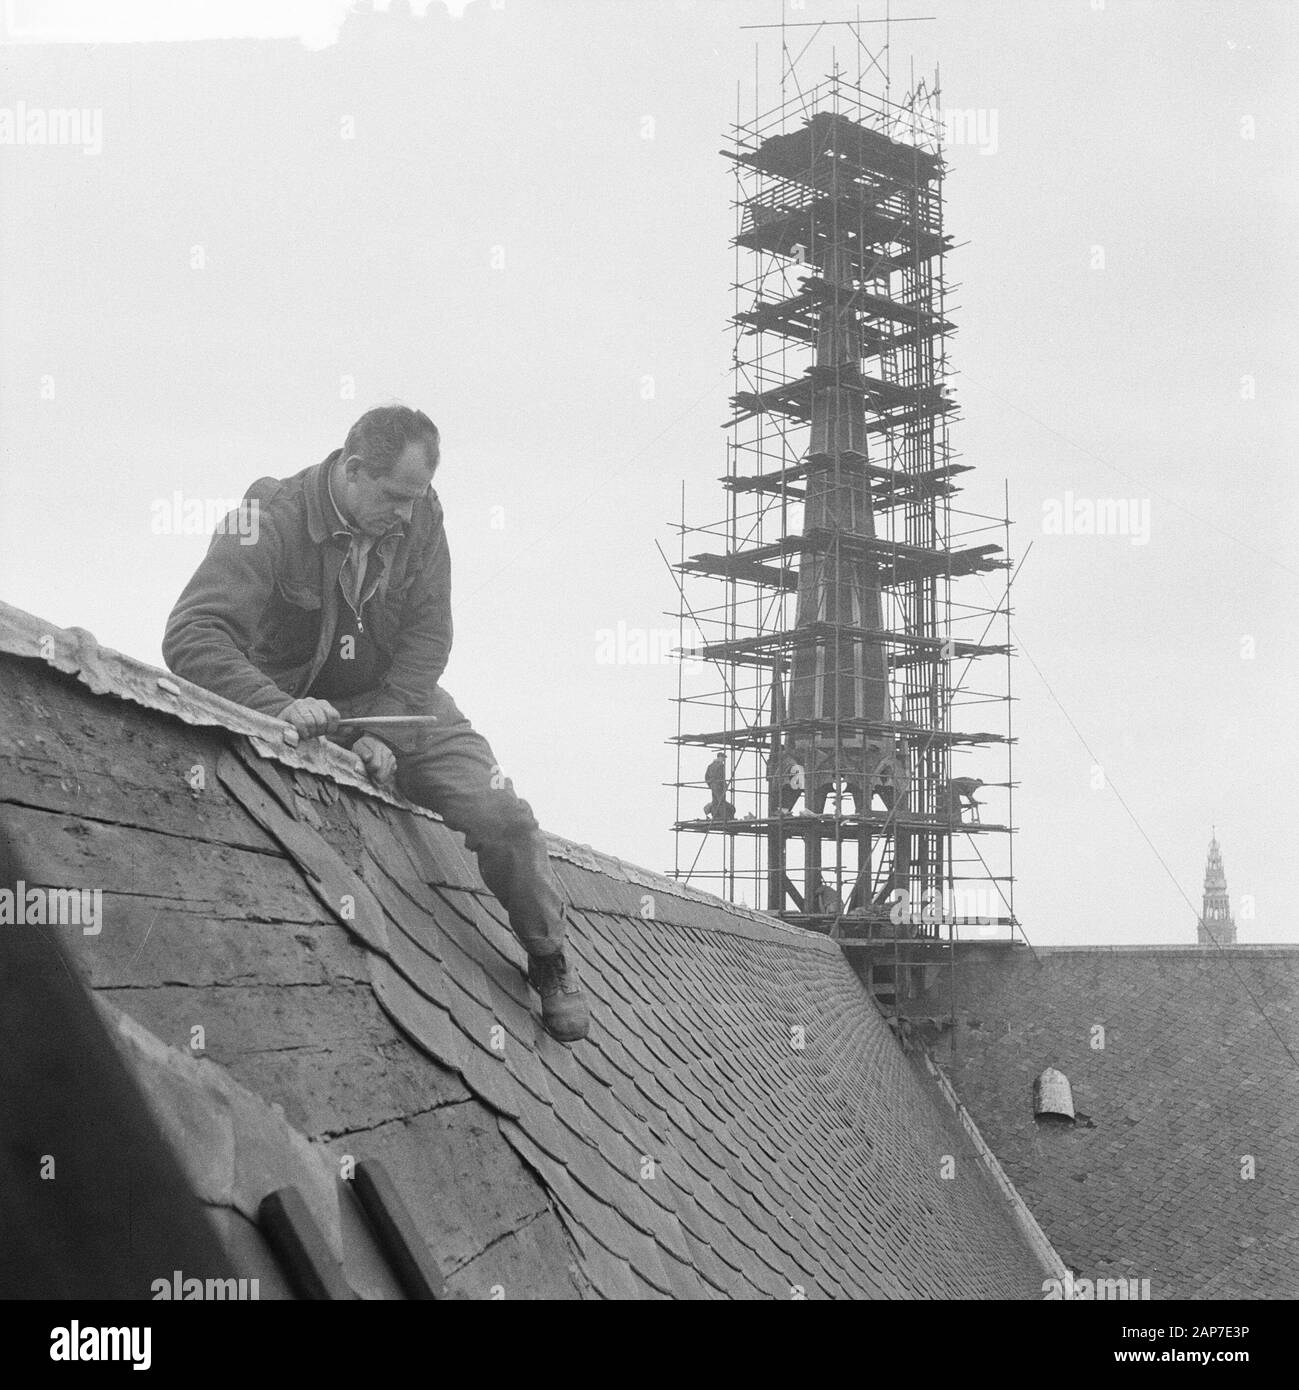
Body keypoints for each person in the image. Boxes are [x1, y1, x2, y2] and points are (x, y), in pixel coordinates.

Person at [162, 404, 589, 1042]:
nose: (409, 514)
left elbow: (429, 636)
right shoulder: (265, 521)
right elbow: (193, 636)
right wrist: (277, 707)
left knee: (506, 816)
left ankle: (549, 953)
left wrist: (386, 734)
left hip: (398, 704)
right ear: (355, 470)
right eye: (398, 498)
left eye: (419, 500)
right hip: (296, 712)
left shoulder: (421, 512)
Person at [703, 752, 734, 820]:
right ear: (720, 757)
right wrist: (724, 786)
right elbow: (721, 777)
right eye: (723, 758)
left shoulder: (710, 765)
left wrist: (710, 785)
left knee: (715, 801)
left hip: (713, 786)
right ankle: (723, 817)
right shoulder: (720, 765)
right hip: (719, 785)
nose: (724, 760)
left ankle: (715, 816)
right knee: (721, 801)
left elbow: (706, 777)